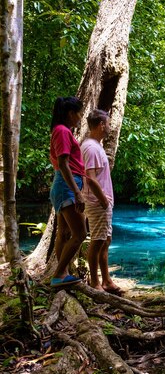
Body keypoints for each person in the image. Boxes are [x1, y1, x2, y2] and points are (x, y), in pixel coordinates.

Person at [49, 97, 105, 288]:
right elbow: (64, 164)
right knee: (80, 234)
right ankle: (58, 275)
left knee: (63, 232)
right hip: (67, 186)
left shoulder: (60, 130)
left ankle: (62, 273)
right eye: (79, 113)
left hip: (64, 185)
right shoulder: (63, 131)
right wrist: (77, 192)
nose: (81, 118)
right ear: (71, 113)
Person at [81, 109, 122, 295]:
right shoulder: (91, 148)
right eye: (108, 123)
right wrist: (103, 200)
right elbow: (90, 178)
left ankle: (106, 280)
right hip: (97, 202)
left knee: (105, 240)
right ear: (101, 125)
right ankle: (95, 283)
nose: (110, 127)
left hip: (102, 202)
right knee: (97, 241)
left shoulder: (95, 146)